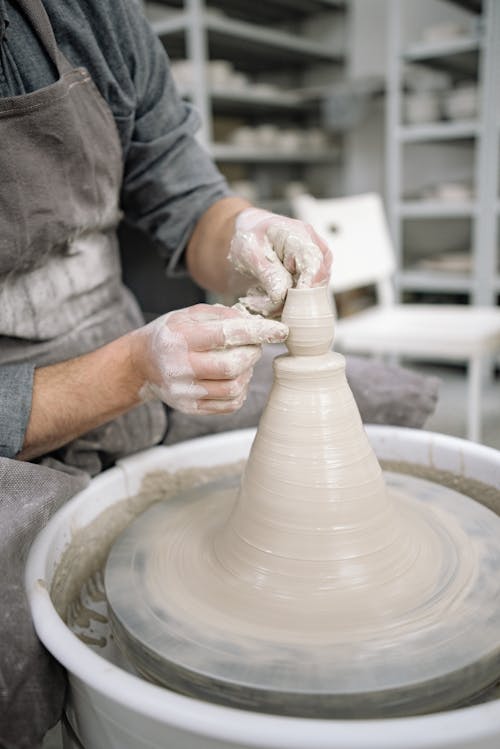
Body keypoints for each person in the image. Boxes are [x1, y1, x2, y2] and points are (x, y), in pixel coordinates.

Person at [0, 1, 333, 745]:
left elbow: (188, 200)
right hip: (20, 399)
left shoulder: (93, 13)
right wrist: (131, 370)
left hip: (120, 342)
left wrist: (245, 229)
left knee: (370, 394)